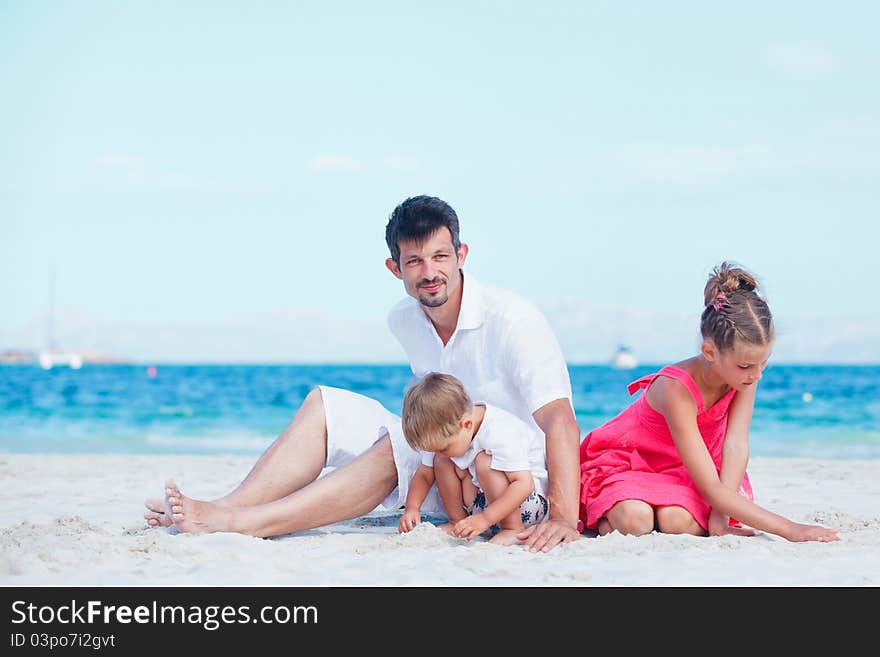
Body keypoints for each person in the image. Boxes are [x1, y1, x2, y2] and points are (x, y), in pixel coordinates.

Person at [146, 195, 582, 552]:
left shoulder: (512, 318)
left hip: (509, 485)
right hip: (450, 466)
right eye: (414, 261)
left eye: (440, 257)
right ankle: (223, 509)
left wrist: (563, 516)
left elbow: (559, 419)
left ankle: (246, 523)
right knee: (325, 405)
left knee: (397, 444)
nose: (430, 273)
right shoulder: (404, 320)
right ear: (395, 268)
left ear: (461, 255)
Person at [578, 262, 839, 543]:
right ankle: (606, 515)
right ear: (709, 352)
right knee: (636, 519)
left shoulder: (745, 377)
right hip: (631, 463)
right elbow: (712, 488)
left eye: (764, 362)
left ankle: (663, 511)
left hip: (688, 470)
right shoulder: (676, 389)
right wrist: (790, 529)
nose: (757, 374)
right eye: (747, 365)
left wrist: (720, 515)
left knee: (676, 521)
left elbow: (735, 445)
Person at [397, 372, 550, 545]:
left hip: (526, 505)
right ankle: (457, 521)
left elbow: (523, 484)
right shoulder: (445, 427)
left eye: (443, 448)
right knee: (441, 462)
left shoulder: (499, 431)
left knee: (484, 462)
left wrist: (485, 518)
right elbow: (425, 474)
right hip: (486, 506)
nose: (439, 452)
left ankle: (512, 529)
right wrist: (411, 508)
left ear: (467, 425)